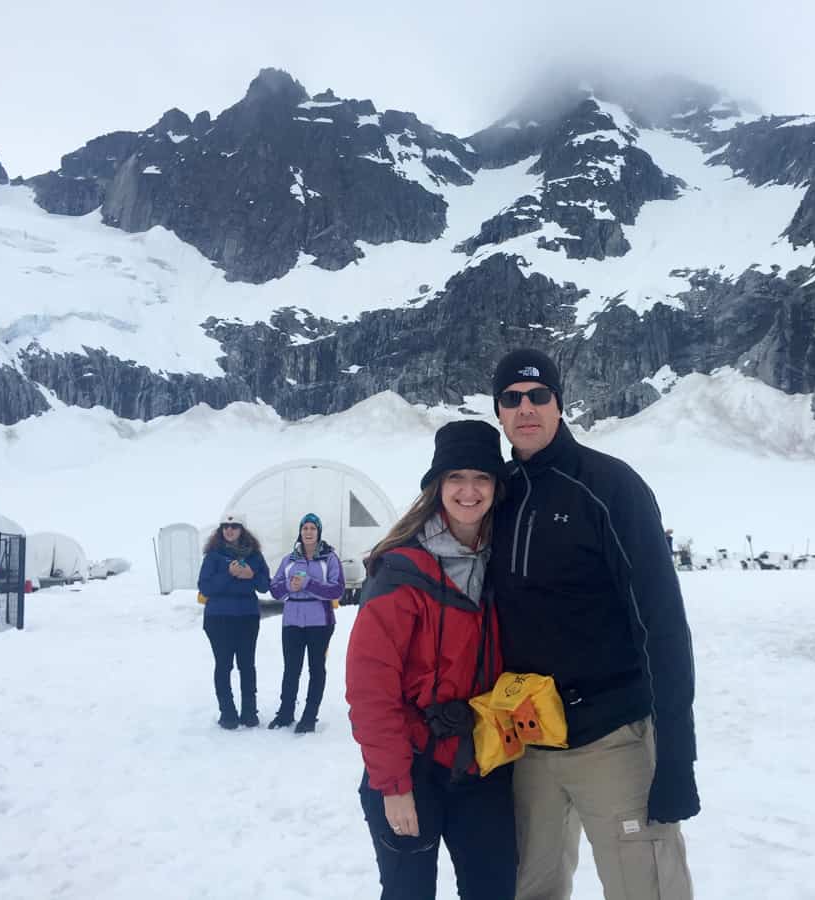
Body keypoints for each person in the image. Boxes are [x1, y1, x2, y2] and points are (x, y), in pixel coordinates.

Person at [489, 348, 699, 900]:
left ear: (559, 404)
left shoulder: (610, 488)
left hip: (613, 741)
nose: (526, 408)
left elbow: (663, 624)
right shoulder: (496, 494)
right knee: (530, 890)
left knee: (647, 889)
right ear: (499, 412)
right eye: (512, 399)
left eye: (539, 396)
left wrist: (678, 752)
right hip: (529, 745)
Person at [346, 420, 516, 900]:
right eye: (455, 477)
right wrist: (394, 785)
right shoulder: (401, 570)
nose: (469, 490)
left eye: (481, 478)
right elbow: (370, 687)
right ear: (436, 487)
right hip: (413, 765)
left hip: (482, 764)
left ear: (495, 487)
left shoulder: (506, 562)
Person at [268, 513, 346, 734]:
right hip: (292, 620)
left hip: (320, 621)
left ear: (318, 532)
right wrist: (289, 588)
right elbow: (274, 589)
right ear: (300, 532)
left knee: (316, 668)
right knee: (291, 669)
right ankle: (285, 713)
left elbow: (337, 589)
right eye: (305, 528)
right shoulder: (289, 560)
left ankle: (309, 716)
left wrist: (308, 584)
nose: (308, 532)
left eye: (313, 528)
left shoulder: (329, 558)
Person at [197, 512, 271, 729]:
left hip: (246, 618)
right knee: (223, 665)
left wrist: (251, 576)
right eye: (225, 527)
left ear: (242, 530)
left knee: (247, 666)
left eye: (234, 526)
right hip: (218, 619)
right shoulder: (213, 556)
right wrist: (228, 574)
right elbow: (205, 587)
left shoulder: (255, 556)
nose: (229, 530)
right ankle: (227, 713)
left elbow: (265, 585)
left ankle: (249, 712)